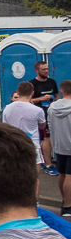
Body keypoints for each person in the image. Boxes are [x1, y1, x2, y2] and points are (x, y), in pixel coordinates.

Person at [2, 81, 48, 172]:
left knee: (16, 173)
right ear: (32, 93)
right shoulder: (38, 110)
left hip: (14, 144)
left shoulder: (7, 108)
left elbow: (5, 127)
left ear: (18, 93)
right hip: (32, 144)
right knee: (34, 178)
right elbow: (42, 126)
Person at [30, 60, 59, 174]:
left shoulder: (52, 81)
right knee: (47, 138)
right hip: (39, 114)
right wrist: (41, 99)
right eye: (43, 69)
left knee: (47, 139)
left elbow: (56, 96)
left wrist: (57, 101)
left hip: (52, 113)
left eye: (47, 69)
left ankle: (42, 158)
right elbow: (28, 100)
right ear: (37, 71)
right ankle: (48, 164)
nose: (46, 71)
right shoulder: (32, 84)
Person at [49, 79, 71, 215]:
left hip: (58, 145)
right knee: (70, 175)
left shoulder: (52, 107)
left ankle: (64, 200)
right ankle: (68, 206)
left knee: (62, 173)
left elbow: (49, 126)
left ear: (61, 91)